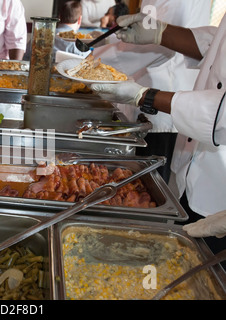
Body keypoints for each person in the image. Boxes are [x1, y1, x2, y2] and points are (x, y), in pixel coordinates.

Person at [91, 12, 226, 257]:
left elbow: (222, 113)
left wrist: (144, 95)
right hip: (193, 168)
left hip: (219, 190)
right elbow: (216, 45)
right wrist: (161, 32)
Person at [93, 0, 211, 183]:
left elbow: (157, 46)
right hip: (156, 98)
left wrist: (90, 63)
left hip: (164, 105)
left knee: (148, 185)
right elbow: (147, 33)